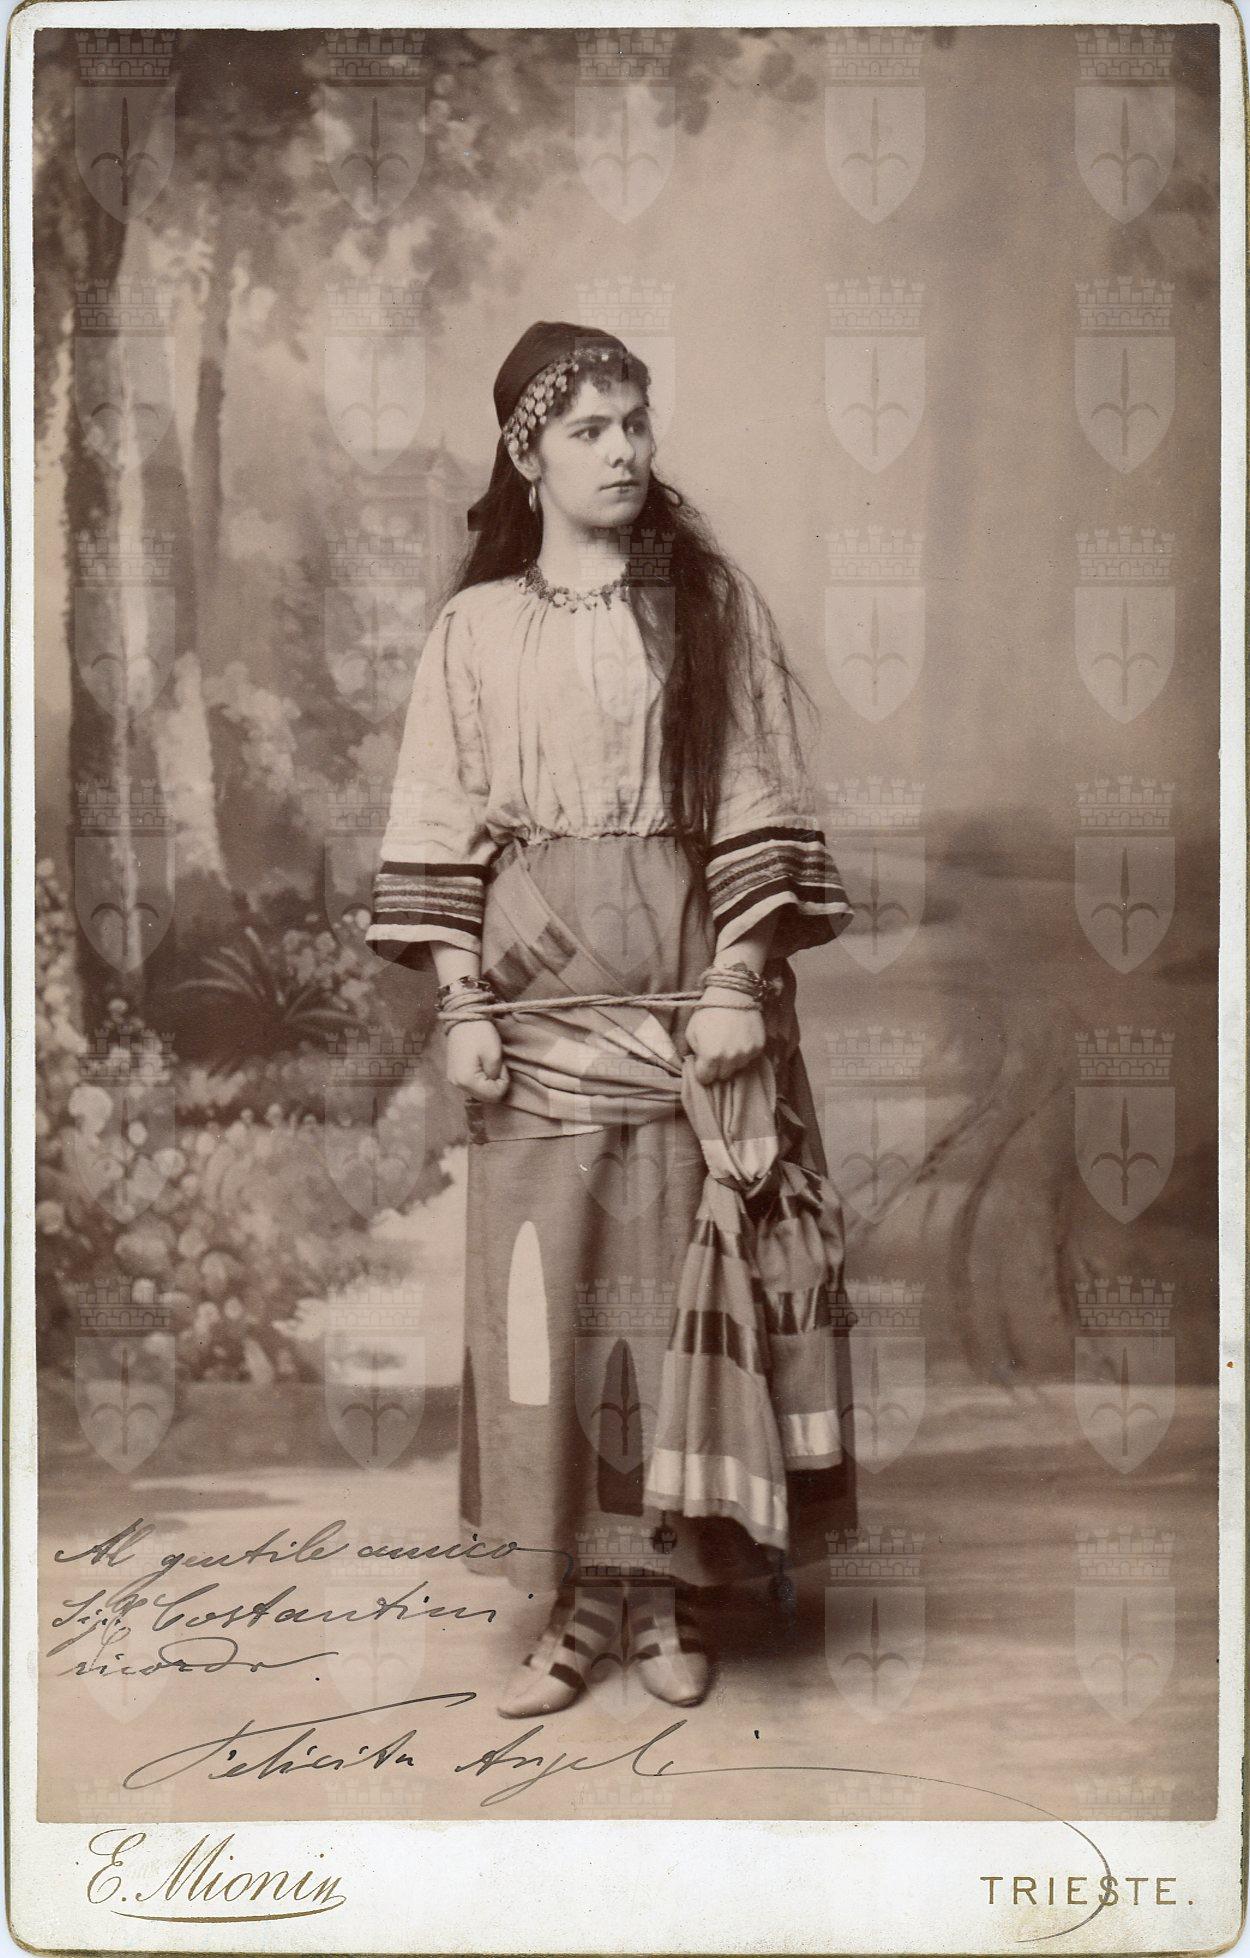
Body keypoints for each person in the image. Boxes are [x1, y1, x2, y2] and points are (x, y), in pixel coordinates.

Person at [366, 319, 857, 1719]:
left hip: (689, 1000)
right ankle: (581, 1600)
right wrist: (460, 999)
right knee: (552, 1297)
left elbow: (758, 796)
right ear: (528, 455)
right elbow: (438, 819)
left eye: (635, 422)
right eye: (589, 429)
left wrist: (736, 981)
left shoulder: (703, 607)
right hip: (532, 1011)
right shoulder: (473, 632)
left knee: (676, 1287)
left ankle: (672, 1592)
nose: (623, 450)